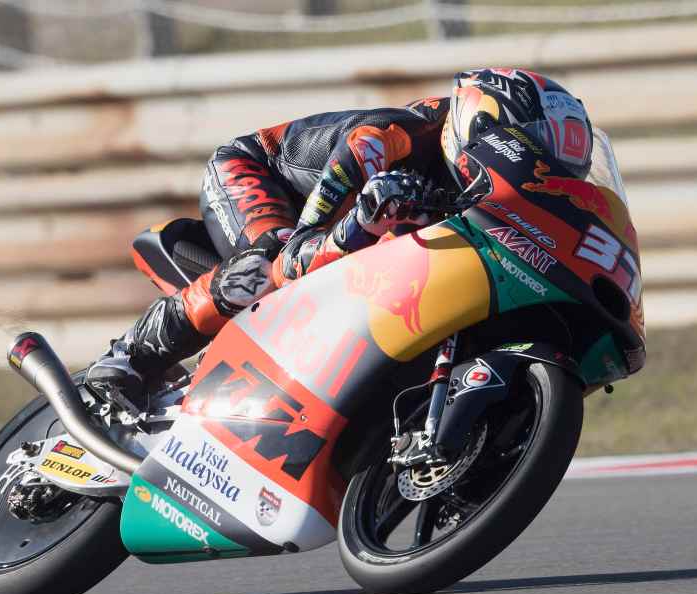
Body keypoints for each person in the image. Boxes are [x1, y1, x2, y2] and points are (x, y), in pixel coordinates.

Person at [87, 68, 594, 406]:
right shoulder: (383, 139)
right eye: (527, 159)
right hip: (256, 174)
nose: (530, 175)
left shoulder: (476, 188)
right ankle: (130, 356)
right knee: (264, 264)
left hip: (339, 233)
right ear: (480, 125)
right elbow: (298, 251)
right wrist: (361, 223)